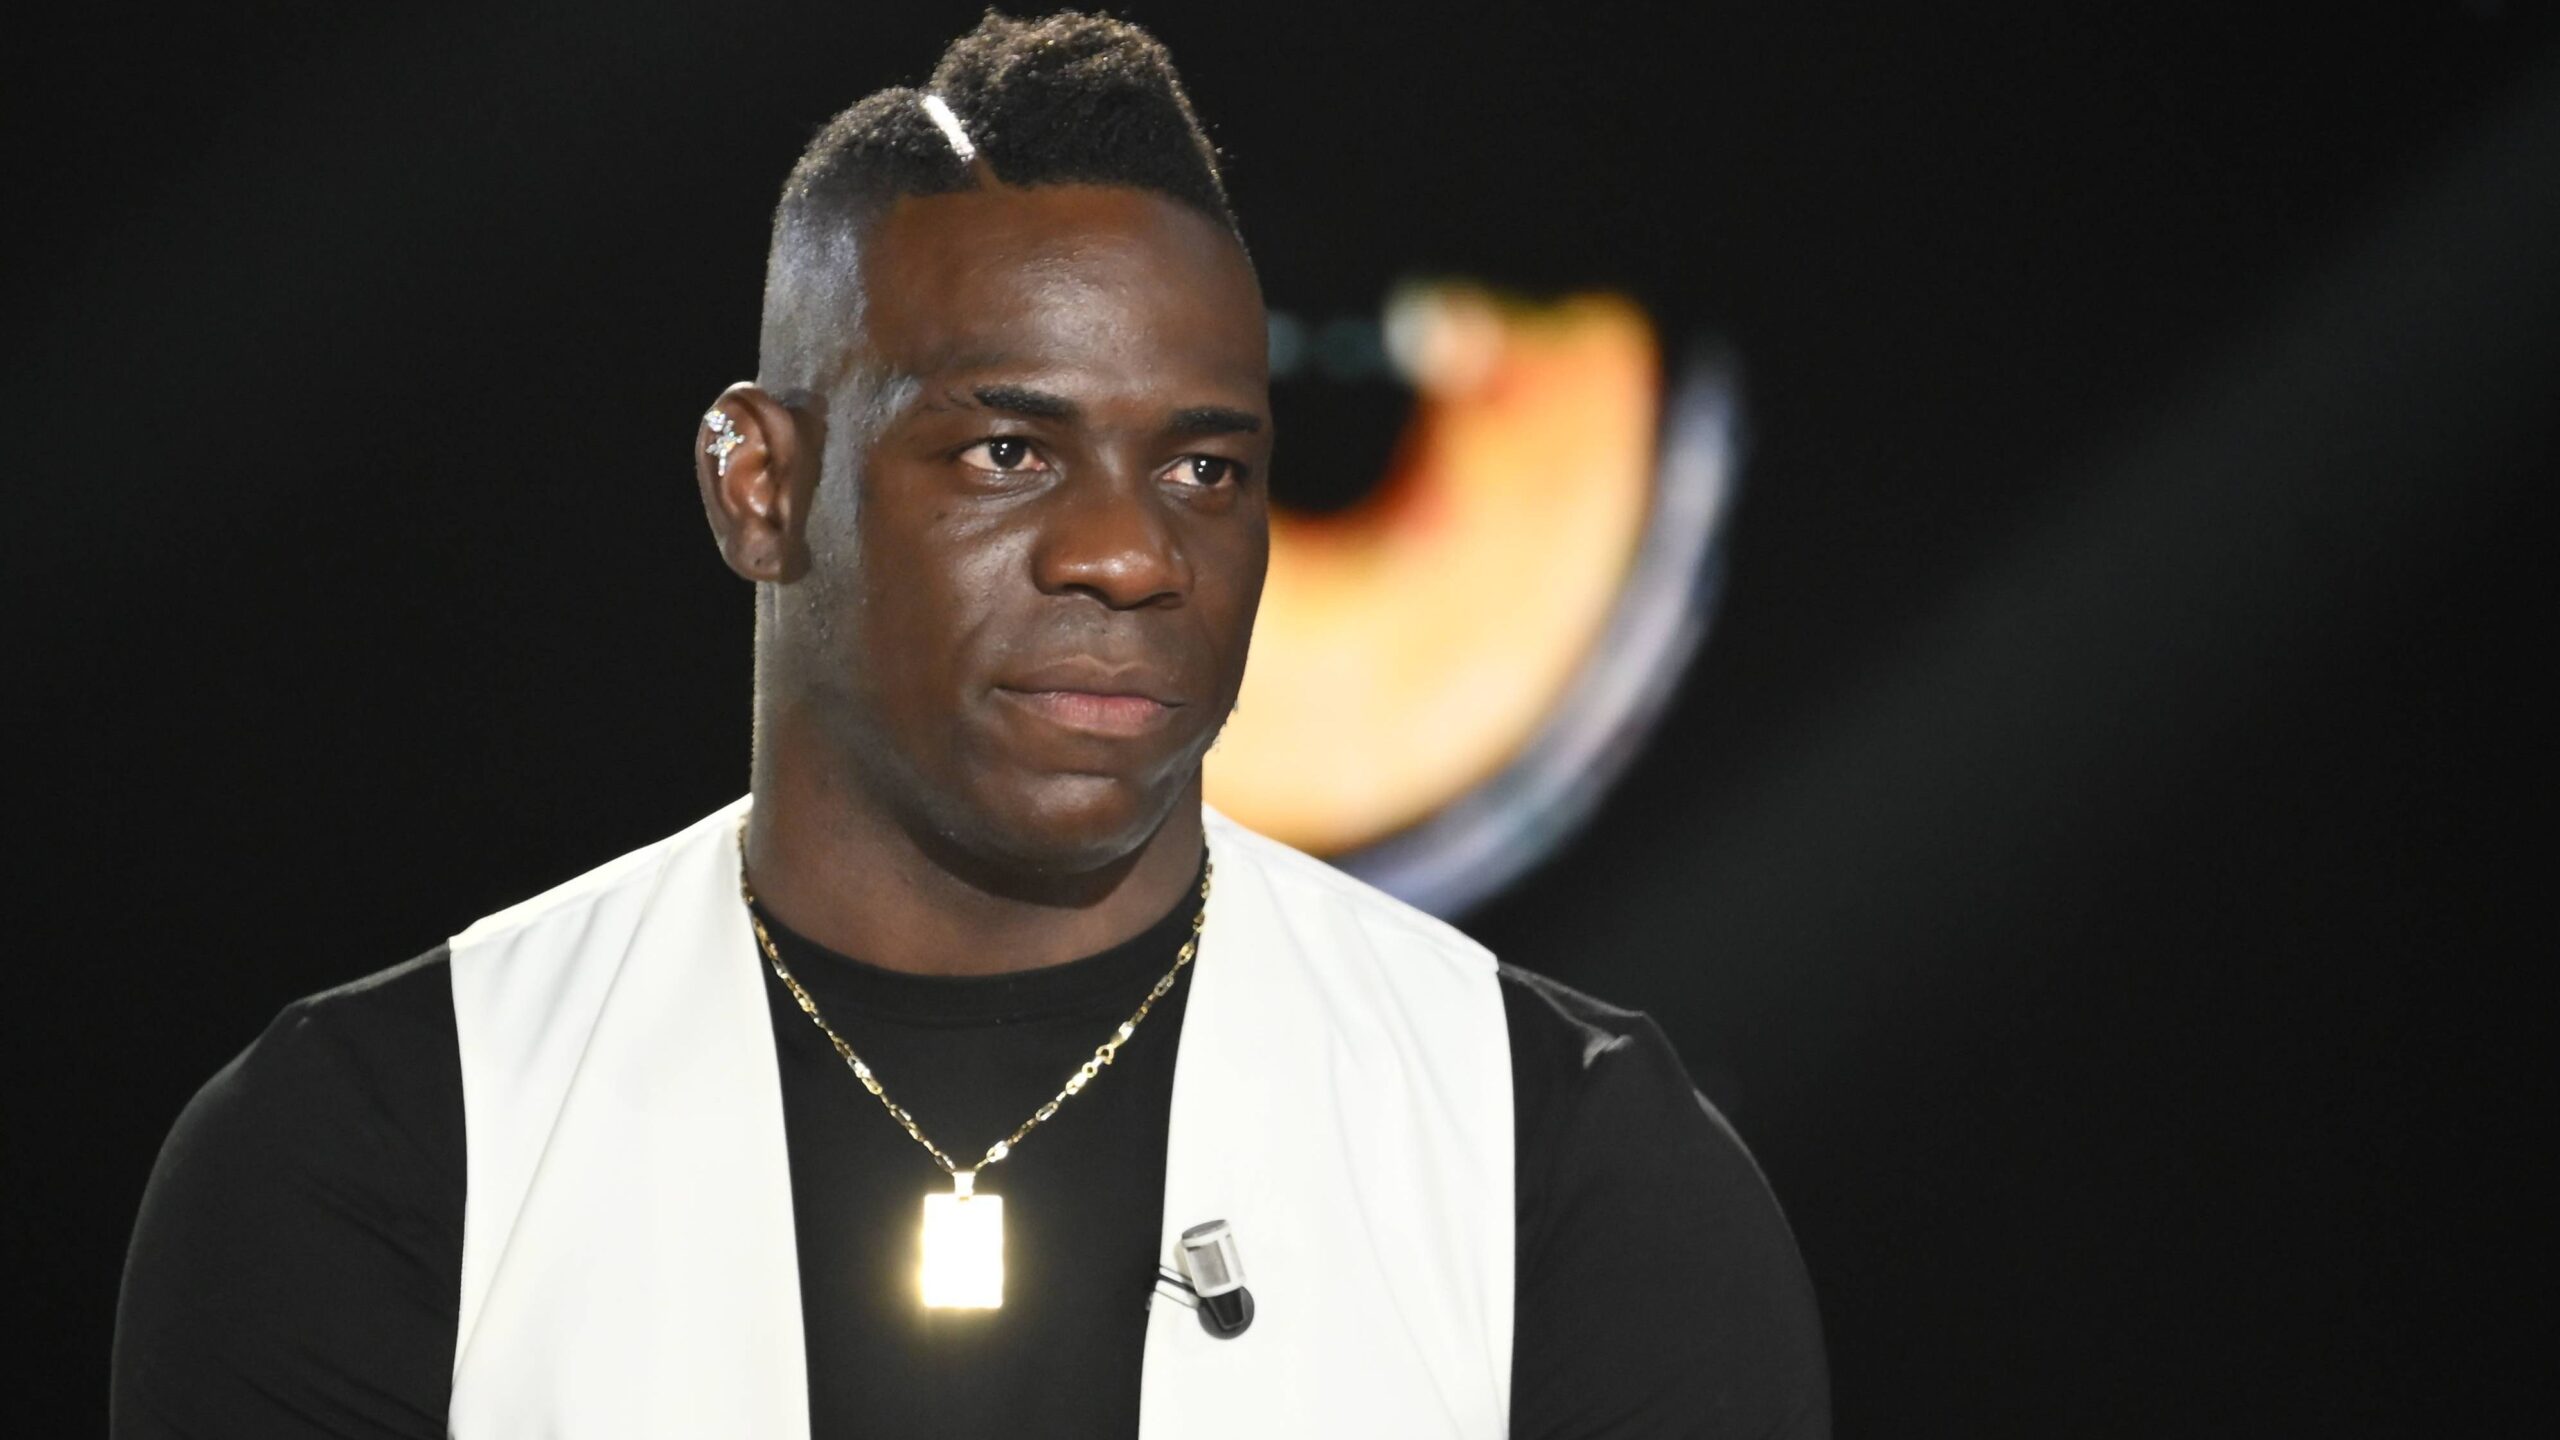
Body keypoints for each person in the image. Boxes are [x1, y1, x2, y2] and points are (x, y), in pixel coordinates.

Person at [111, 12, 1828, 1437]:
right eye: (1010, 451)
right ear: (760, 485)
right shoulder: (379, 1152)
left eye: (1204, 467)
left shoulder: (1568, 1167)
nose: (1129, 554)